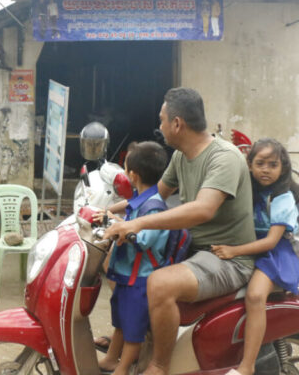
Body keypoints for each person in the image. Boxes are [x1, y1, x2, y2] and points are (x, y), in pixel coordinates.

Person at [105, 87, 256, 375]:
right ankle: (128, 343)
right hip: (193, 248)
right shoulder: (181, 156)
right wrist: (110, 211)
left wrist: (138, 223)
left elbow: (203, 209)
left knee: (160, 283)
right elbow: (154, 196)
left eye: (162, 120)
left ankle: (159, 365)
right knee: (117, 262)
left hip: (226, 257)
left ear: (177, 124)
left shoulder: (224, 157)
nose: (159, 127)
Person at [211, 139, 299, 375]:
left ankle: (247, 365)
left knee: (254, 296)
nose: (266, 169)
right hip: (250, 247)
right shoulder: (246, 191)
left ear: (283, 168)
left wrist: (233, 251)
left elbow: (272, 241)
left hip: (274, 255)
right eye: (260, 163)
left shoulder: (282, 197)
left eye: (273, 164)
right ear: (249, 164)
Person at [99, 141, 170, 375]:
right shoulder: (140, 199)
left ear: (133, 174)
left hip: (140, 279)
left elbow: (145, 239)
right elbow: (126, 216)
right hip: (126, 273)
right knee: (120, 322)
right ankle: (110, 360)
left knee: (133, 331)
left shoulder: (154, 207)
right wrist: (109, 216)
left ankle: (122, 369)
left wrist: (123, 228)